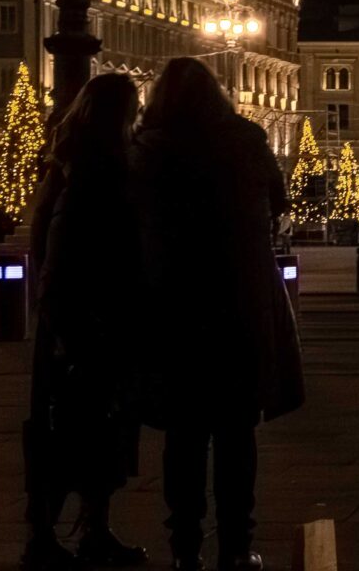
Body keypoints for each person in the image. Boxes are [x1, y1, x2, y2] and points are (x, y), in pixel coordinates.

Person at [132, 58, 303, 571]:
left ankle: (184, 547)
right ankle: (236, 545)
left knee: (184, 434)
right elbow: (278, 201)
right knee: (235, 431)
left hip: (174, 305)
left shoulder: (148, 148)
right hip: (239, 304)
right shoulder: (246, 140)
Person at [24, 74, 148, 570]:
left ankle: (83, 531)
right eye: (133, 109)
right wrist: (74, 330)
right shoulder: (96, 174)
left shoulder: (70, 167)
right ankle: (51, 537)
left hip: (77, 321)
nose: (138, 118)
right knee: (78, 433)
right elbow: (72, 255)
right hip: (86, 324)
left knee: (86, 432)